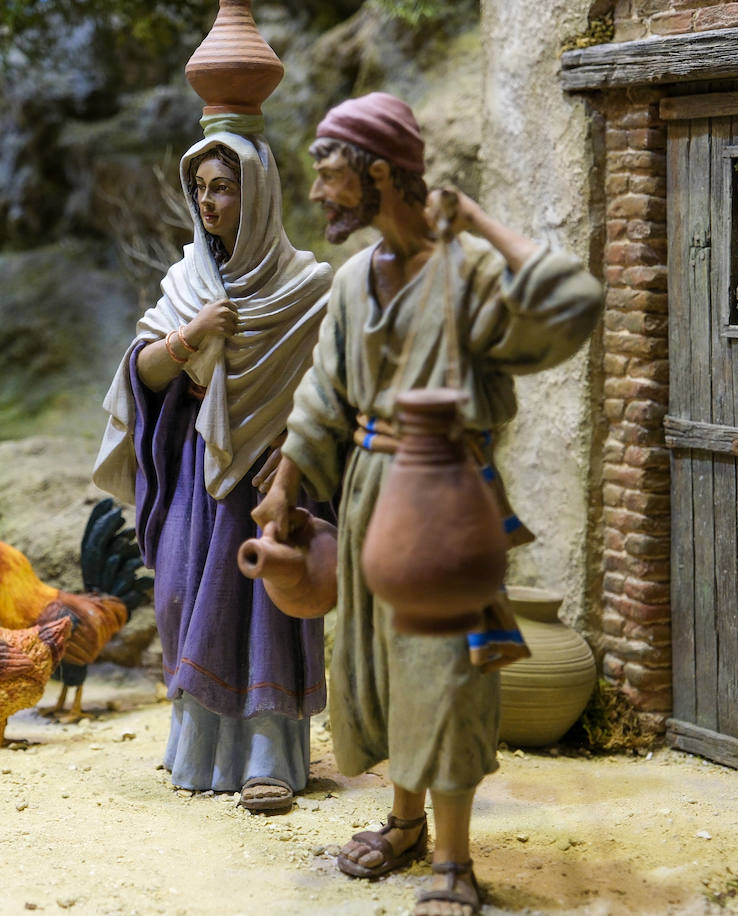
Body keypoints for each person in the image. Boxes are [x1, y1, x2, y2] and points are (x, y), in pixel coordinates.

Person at [253, 93, 603, 915]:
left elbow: (573, 303)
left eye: (330, 175)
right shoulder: (350, 281)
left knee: (445, 670)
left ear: (381, 172)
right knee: (373, 668)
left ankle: (453, 860)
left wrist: (477, 221)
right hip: (371, 495)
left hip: (446, 492)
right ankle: (404, 824)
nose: (318, 194)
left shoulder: (469, 272)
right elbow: (321, 397)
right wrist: (284, 483)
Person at [93, 130, 333, 813]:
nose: (208, 202)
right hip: (198, 467)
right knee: (179, 596)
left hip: (271, 480)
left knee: (265, 611)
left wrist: (295, 442)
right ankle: (198, 745)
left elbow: (332, 388)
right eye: (199, 189)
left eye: (223, 187)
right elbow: (139, 373)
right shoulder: (187, 282)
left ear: (256, 195)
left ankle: (265, 755)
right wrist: (191, 335)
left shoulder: (307, 288)